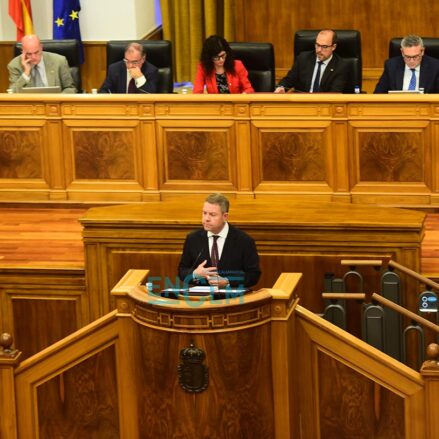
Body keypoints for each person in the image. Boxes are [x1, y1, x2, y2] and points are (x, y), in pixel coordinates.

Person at [178, 193, 261, 288]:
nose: (206, 219)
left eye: (212, 215)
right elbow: (182, 271)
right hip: (202, 298)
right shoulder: (193, 239)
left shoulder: (244, 241)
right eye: (204, 213)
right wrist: (194, 274)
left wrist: (227, 281)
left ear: (225, 216)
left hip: (233, 299)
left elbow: (253, 275)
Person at [274, 29, 349, 93]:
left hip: (324, 106)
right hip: (302, 104)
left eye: (324, 46)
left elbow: (334, 94)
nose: (319, 50)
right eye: (317, 45)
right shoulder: (303, 59)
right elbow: (289, 80)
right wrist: (281, 87)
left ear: (333, 47)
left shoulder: (340, 66)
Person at [8, 34, 77, 93]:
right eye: (29, 54)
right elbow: (13, 92)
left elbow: (70, 88)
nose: (33, 57)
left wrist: (57, 100)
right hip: (29, 106)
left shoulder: (59, 61)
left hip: (54, 105)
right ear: (22, 51)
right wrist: (26, 73)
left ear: (41, 48)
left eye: (36, 52)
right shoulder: (15, 65)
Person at [374, 35, 439, 93]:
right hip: (399, 105)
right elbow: (378, 94)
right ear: (402, 52)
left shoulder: (435, 67)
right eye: (407, 57)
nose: (411, 61)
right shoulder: (391, 65)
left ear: (422, 51)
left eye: (415, 56)